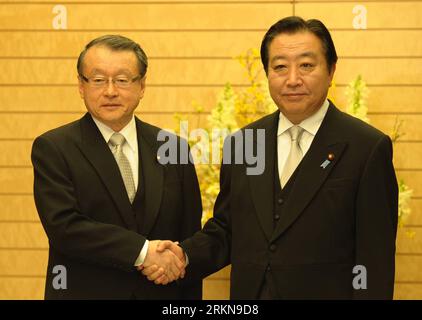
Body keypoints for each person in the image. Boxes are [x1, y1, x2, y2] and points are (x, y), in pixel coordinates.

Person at [144, 16, 398, 299]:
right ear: (267, 73)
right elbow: (228, 230)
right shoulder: (243, 142)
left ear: (331, 70)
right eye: (279, 67)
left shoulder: (366, 147)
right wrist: (183, 256)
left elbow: (374, 261)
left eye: (306, 65)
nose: (292, 79)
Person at [31, 35, 202, 299]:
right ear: (81, 85)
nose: (110, 91)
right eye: (98, 80)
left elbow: (189, 239)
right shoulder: (54, 148)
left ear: (142, 86)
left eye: (122, 80)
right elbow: (64, 227)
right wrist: (143, 252)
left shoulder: (173, 148)